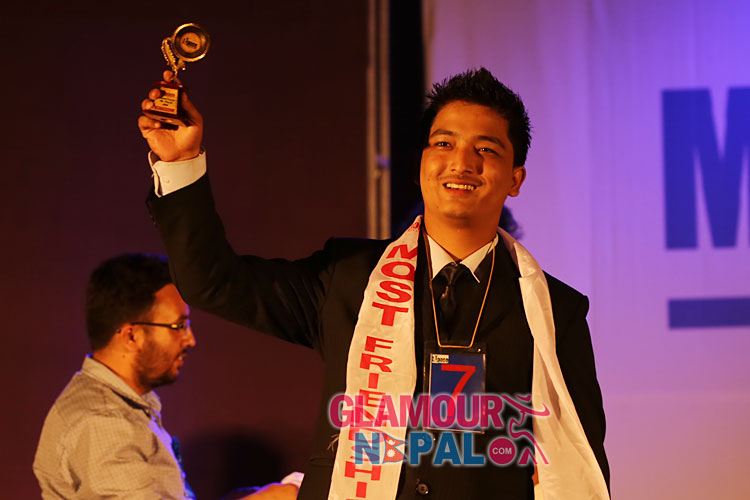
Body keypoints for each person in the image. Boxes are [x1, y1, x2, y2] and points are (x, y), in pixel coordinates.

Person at [138, 68, 610, 500]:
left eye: (485, 149)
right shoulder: (348, 276)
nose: (461, 162)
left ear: (515, 179)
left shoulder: (554, 311)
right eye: (443, 144)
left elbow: (581, 462)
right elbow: (212, 282)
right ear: (421, 163)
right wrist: (181, 163)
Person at [33, 254, 298, 500]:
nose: (190, 339)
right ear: (132, 336)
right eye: (179, 326)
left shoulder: (119, 408)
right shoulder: (104, 421)